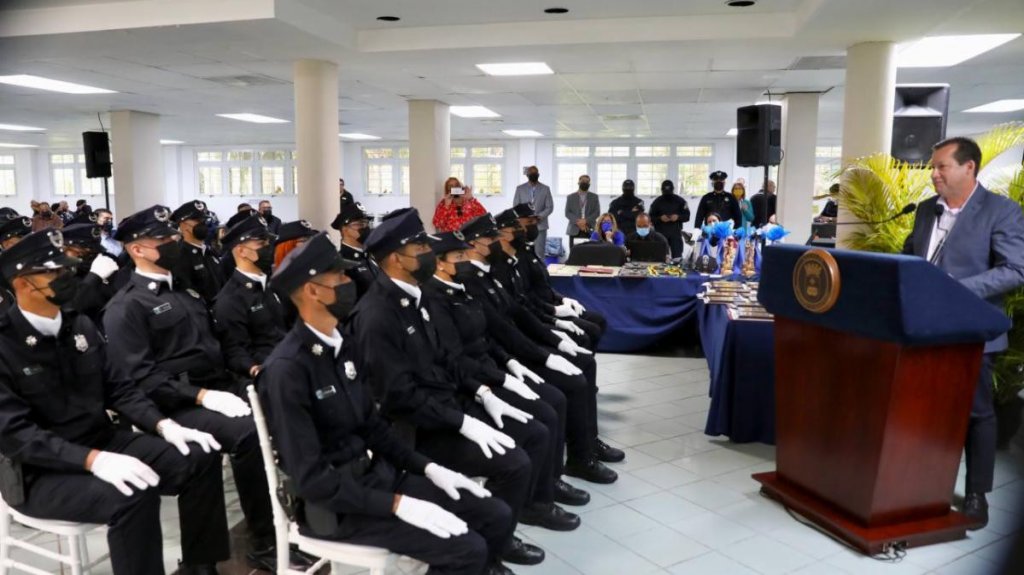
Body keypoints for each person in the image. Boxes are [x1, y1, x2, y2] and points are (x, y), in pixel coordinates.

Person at [259, 232, 515, 575]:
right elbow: (311, 479)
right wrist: (396, 505)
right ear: (313, 291)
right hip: (338, 506)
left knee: (494, 514)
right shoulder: (287, 370)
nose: (349, 282)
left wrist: (429, 469)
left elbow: (373, 426)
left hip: (376, 477)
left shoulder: (340, 344)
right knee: (466, 549)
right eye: (339, 277)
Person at [0, 228, 230, 575]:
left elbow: (119, 389)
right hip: (38, 472)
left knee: (198, 457)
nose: (68, 277)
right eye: (55, 273)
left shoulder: (79, 326)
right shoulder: (5, 344)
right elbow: (17, 436)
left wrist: (163, 425)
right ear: (23, 284)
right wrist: (92, 460)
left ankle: (200, 567)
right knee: (133, 496)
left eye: (67, 270)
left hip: (102, 440)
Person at [102, 205, 302, 572]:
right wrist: (201, 397)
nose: (173, 242)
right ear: (137, 249)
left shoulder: (185, 293)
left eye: (173, 237)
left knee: (292, 405)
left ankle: (301, 520)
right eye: (162, 239)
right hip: (173, 405)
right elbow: (140, 378)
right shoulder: (126, 306)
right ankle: (262, 540)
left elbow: (219, 348)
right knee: (248, 436)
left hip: (218, 387)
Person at [349, 208, 548, 566]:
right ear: (395, 258)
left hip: (450, 406)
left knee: (532, 432)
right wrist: (461, 423)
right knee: (514, 463)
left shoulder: (413, 297)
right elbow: (398, 395)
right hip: (418, 428)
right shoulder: (377, 314)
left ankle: (499, 535)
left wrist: (482, 393)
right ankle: (489, 555)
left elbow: (446, 358)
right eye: (420, 246)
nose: (429, 252)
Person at [422, 231, 586, 529]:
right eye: (458, 257)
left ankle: (548, 484)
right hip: (472, 383)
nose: (465, 261)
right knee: (540, 422)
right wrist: (497, 382)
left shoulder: (462, 287)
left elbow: (487, 333)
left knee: (552, 402)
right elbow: (455, 358)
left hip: (493, 368)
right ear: (439, 263)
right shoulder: (433, 299)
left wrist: (511, 365)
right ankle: (534, 504)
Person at [902, 136, 1024, 530]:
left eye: (942, 167)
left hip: (972, 331)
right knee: (923, 411)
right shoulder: (924, 211)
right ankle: (919, 483)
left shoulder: (1001, 211)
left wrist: (955, 287)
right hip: (922, 330)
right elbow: (910, 258)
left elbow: (1015, 269)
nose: (934, 174)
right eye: (933, 167)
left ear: (969, 167)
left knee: (977, 414)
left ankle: (976, 494)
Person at [458, 215, 618, 484]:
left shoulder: (492, 269)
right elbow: (501, 329)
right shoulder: (473, 278)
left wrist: (555, 330)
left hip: (515, 348)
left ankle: (586, 447)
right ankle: (575, 461)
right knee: (567, 387)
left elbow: (517, 310)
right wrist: (540, 351)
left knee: (581, 367)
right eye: (492, 237)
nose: (498, 241)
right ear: (474, 244)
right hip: (503, 358)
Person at [212, 216, 286, 383]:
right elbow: (236, 350)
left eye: (268, 242)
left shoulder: (271, 285)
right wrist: (254, 369)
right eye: (261, 244)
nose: (268, 247)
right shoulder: (230, 299)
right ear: (241, 251)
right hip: (269, 372)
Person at [61, 223, 120, 325]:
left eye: (93, 252)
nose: (91, 255)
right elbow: (69, 309)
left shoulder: (108, 261)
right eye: (82, 252)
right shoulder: (61, 275)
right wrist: (93, 277)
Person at [170, 200, 224, 304]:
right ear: (183, 226)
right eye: (197, 220)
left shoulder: (209, 251)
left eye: (204, 220)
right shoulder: (180, 256)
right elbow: (187, 296)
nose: (203, 224)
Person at [332, 201, 377, 299]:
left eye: (366, 223)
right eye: (360, 224)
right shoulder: (341, 262)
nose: (365, 227)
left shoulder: (370, 256)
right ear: (345, 229)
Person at [512, 167, 553, 258]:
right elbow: (516, 206)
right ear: (527, 175)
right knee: (523, 253)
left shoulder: (545, 189)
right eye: (531, 173)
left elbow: (549, 207)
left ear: (538, 174)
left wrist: (538, 217)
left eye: (536, 173)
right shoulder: (520, 189)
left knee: (539, 254)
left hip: (540, 226)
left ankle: (540, 272)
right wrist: (526, 219)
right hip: (524, 227)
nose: (534, 175)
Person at [648, 179, 690, 260]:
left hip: (676, 234)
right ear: (662, 190)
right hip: (660, 234)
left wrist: (678, 217)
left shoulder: (680, 201)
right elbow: (650, 218)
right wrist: (660, 218)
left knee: (677, 258)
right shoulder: (656, 202)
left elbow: (687, 216)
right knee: (659, 258)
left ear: (673, 189)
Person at [564, 174, 600, 248]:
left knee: (590, 251)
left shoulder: (594, 197)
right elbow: (567, 212)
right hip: (574, 228)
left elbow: (597, 212)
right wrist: (578, 221)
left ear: (589, 184)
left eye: (587, 181)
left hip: (590, 228)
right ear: (578, 182)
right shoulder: (570, 197)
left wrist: (585, 221)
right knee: (574, 252)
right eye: (583, 181)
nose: (585, 183)